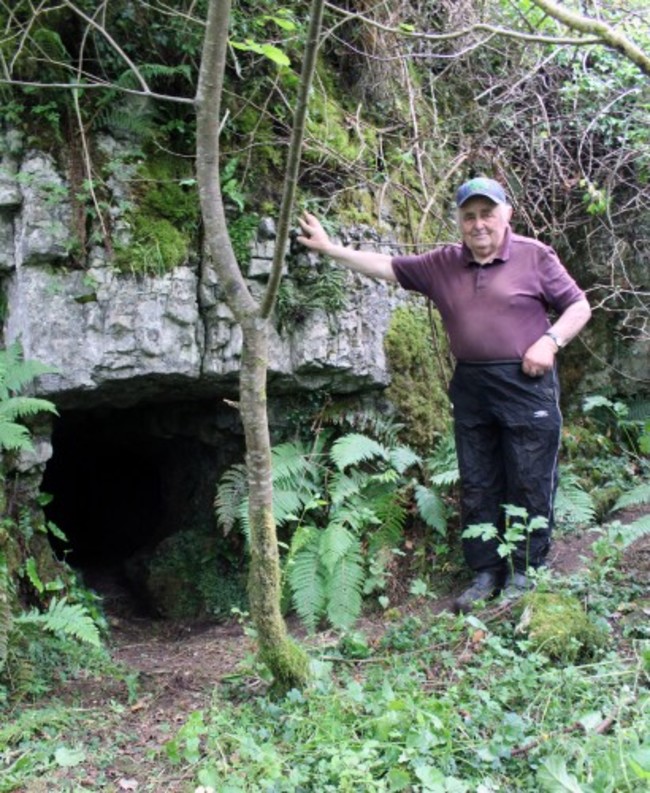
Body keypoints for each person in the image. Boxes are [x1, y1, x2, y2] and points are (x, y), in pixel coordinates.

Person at [297, 177, 592, 613]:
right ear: (458, 220)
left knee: (529, 477)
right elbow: (386, 265)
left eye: (487, 214)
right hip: (472, 385)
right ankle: (486, 572)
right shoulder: (443, 264)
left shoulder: (534, 256)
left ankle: (527, 570)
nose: (478, 224)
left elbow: (579, 305)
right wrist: (328, 248)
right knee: (478, 481)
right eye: (469, 216)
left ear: (505, 214)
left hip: (526, 383)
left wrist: (549, 342)